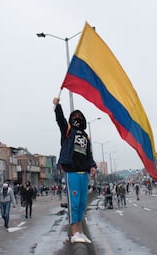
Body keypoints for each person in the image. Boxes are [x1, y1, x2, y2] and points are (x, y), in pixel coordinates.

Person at [53, 97, 97, 244]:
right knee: (74, 203)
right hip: (71, 173)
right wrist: (57, 105)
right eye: (74, 117)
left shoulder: (85, 137)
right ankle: (74, 233)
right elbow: (60, 120)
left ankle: (80, 231)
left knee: (82, 204)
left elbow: (89, 155)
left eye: (79, 117)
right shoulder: (68, 132)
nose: (77, 119)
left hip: (83, 174)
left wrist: (92, 166)